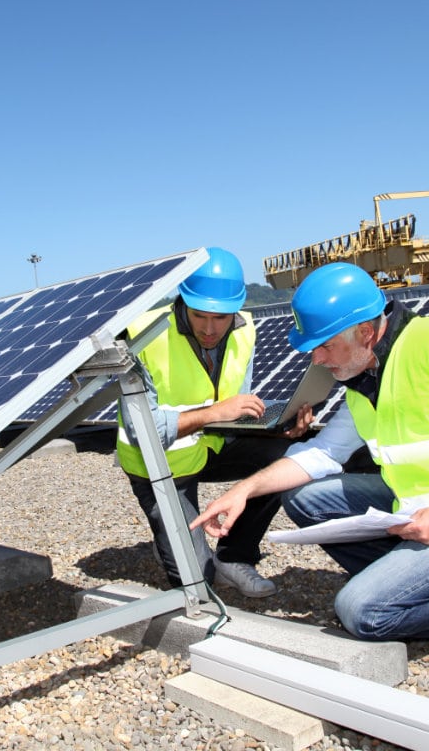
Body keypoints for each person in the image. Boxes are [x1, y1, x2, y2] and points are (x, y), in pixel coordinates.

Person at [191, 262, 429, 643]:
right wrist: (243, 491)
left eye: (325, 345)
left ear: (365, 332)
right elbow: (323, 453)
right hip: (420, 504)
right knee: (303, 496)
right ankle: (414, 580)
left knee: (362, 613)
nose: (317, 360)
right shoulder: (365, 378)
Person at [117, 247, 312, 598]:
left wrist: (281, 425)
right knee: (197, 586)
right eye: (199, 315)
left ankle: (234, 556)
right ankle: (175, 541)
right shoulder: (143, 335)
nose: (210, 329)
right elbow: (141, 430)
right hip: (159, 464)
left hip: (211, 445)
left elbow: (238, 411)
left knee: (290, 453)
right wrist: (214, 413)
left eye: (221, 318)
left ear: (236, 309)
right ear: (182, 301)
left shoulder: (245, 329)